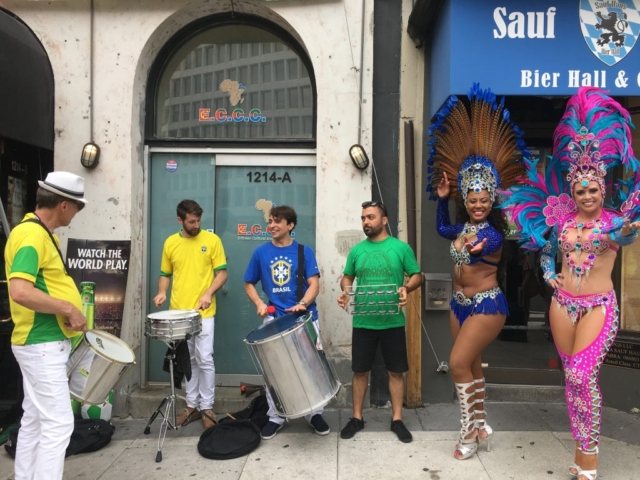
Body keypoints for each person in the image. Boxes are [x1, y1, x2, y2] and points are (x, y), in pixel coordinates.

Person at [504, 87, 640, 480]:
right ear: (572, 190)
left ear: (602, 188)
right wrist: (549, 276)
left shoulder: (615, 222)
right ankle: (579, 454)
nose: (586, 195)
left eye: (593, 189)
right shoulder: (562, 222)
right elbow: (546, 252)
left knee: (584, 376)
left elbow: (627, 236)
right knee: (570, 379)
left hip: (599, 306)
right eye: (579, 190)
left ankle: (591, 455)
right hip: (562, 304)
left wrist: (629, 230)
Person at [426, 84, 527, 460]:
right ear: (465, 201)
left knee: (455, 364)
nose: (479, 205)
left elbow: (480, 254)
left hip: (487, 305)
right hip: (458, 304)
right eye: (473, 200)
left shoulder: (494, 236)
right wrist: (441, 200)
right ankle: (482, 424)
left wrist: (472, 250)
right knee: (469, 364)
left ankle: (468, 434)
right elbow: (441, 229)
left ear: (491, 201)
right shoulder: (460, 228)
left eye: (485, 200)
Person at [5, 171, 88, 480]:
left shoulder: (41, 233)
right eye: (79, 206)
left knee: (35, 419)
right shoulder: (31, 236)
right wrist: (67, 307)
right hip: (40, 343)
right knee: (59, 423)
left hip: (41, 342)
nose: (78, 213)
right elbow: (20, 291)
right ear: (64, 205)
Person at [337, 201, 422, 443]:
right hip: (363, 320)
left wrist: (407, 288)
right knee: (359, 371)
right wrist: (345, 291)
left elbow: (417, 275)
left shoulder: (400, 248)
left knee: (396, 371)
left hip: (392, 321)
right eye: (363, 218)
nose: (366, 222)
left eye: (371, 217)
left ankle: (397, 420)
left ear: (384, 220)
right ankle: (357, 418)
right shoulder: (356, 251)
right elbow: (347, 277)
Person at [243, 205, 330, 440]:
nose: (271, 225)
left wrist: (303, 302)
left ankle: (315, 413)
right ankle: (276, 416)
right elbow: (248, 283)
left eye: (277, 221)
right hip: (274, 320)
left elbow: (314, 284)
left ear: (290, 225)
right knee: (273, 372)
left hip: (304, 318)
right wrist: (259, 304)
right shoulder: (260, 253)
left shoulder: (304, 251)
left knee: (311, 368)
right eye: (270, 221)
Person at [153, 199, 228, 430]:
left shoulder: (212, 240)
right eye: (192, 221)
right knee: (188, 361)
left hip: (204, 312)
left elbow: (222, 274)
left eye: (198, 221)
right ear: (180, 220)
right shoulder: (171, 243)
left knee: (204, 358)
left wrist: (208, 293)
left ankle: (207, 407)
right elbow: (166, 273)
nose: (196, 225)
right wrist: (161, 291)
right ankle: (192, 405)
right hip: (179, 313)